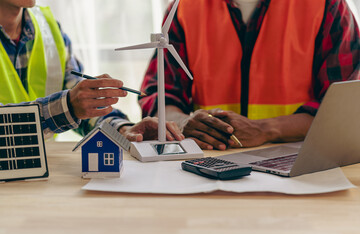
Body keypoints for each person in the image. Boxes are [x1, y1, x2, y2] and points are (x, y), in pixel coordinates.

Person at [140, 0, 360, 150]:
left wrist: (267, 129)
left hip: (297, 163)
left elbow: (343, 108)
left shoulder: (325, 4)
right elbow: (159, 96)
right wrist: (184, 122)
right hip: (209, 164)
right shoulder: (184, 7)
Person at [0, 0, 184, 142]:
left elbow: (84, 107)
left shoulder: (48, 29)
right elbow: (71, 105)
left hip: (44, 177)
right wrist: (68, 107)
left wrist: (124, 129)